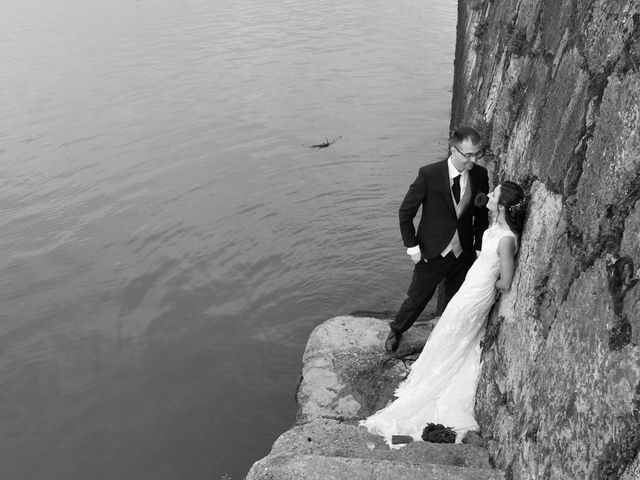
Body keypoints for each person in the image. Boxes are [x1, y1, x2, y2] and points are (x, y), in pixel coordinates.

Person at [361, 181, 528, 446]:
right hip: (470, 286)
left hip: (478, 292)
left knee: (457, 330)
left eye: (494, 194)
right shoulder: (496, 226)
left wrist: (487, 283)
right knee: (450, 327)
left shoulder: (507, 239)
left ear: (504, 206)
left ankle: (436, 381)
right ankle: (434, 367)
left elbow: (505, 282)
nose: (490, 195)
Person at [385, 127, 490, 352]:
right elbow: (405, 213)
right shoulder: (429, 174)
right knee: (417, 298)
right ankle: (396, 330)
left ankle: (442, 328)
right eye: (469, 154)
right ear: (453, 151)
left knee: (453, 298)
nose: (474, 159)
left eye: (476, 154)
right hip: (431, 251)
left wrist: (479, 248)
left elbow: (481, 215)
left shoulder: (480, 175)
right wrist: (412, 247)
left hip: (463, 251)